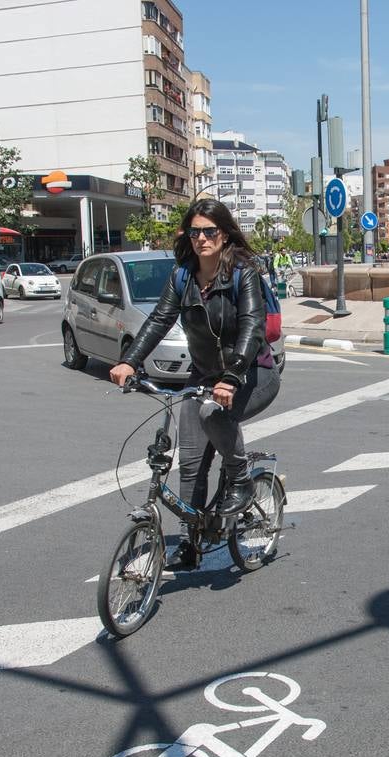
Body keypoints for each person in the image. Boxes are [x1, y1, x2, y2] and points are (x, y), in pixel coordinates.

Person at [109, 199, 281, 570]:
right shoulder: (182, 276)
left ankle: (240, 479)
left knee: (212, 413)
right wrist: (129, 360)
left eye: (210, 231)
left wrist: (232, 376)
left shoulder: (243, 272)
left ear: (224, 234)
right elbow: (158, 320)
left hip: (252, 373)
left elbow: (252, 328)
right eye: (195, 231)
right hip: (204, 375)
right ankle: (190, 543)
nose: (202, 238)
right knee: (189, 463)